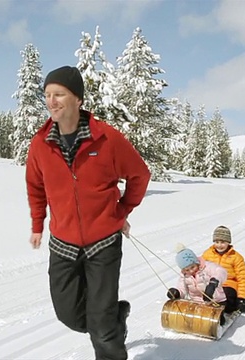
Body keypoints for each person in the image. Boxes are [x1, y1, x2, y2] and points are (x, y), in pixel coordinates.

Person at [26, 65, 151, 360]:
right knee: (68, 314)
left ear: (78, 100)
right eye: (47, 95)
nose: (51, 101)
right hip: (63, 244)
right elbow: (35, 187)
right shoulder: (40, 144)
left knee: (102, 329)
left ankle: (108, 328)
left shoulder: (107, 139)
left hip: (104, 244)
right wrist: (37, 224)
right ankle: (114, 318)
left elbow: (140, 176)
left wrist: (121, 211)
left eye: (59, 94)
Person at [202, 226, 245, 313]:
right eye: (217, 242)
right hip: (211, 284)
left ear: (228, 242)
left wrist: (241, 298)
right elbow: (200, 271)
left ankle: (221, 312)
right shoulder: (207, 254)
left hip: (228, 284)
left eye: (223, 242)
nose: (219, 245)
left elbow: (242, 278)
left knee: (227, 301)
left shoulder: (236, 257)